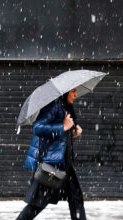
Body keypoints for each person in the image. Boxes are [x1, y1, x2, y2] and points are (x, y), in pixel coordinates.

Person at [16, 87, 87, 220]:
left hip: (65, 163)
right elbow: (38, 128)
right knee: (37, 204)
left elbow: (60, 137)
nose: (76, 95)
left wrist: (72, 133)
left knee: (76, 199)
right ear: (66, 92)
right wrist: (63, 127)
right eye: (73, 91)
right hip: (52, 163)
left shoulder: (66, 107)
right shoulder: (54, 106)